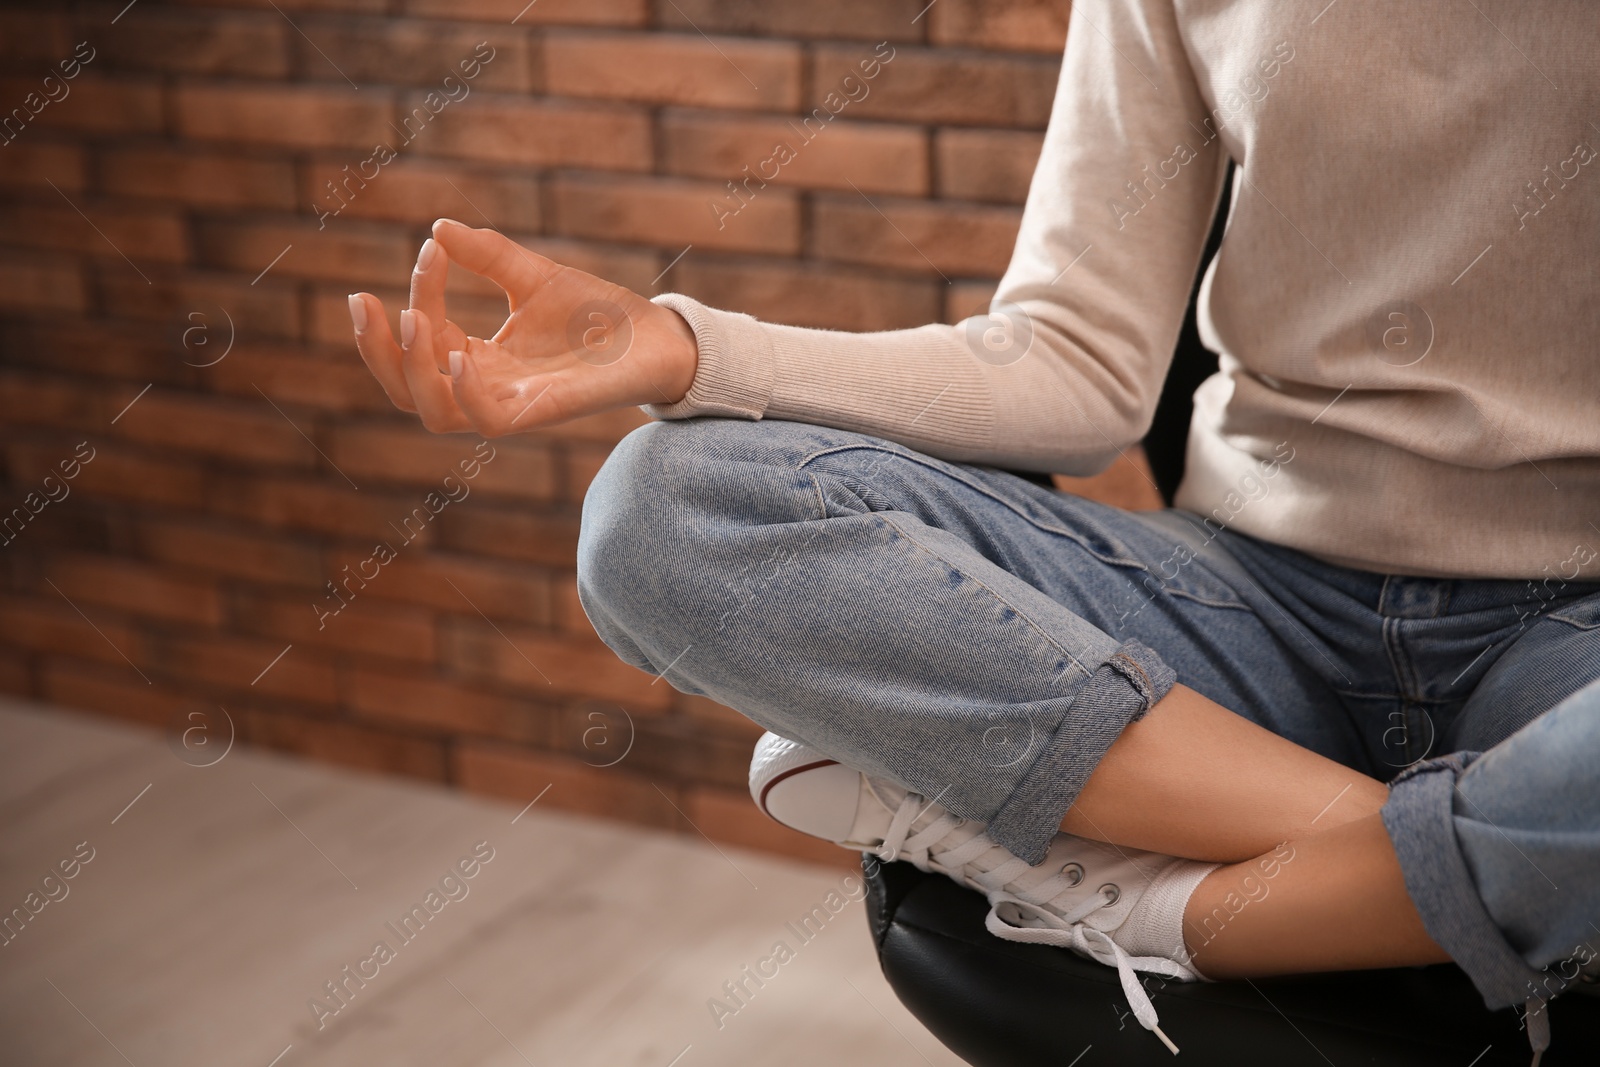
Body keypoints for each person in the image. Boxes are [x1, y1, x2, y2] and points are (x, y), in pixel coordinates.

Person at [347, 1, 1599, 1060]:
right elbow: (1075, 357)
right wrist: (685, 348)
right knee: (662, 513)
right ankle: (1490, 867)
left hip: (1573, 633)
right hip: (1250, 604)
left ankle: (1196, 910)